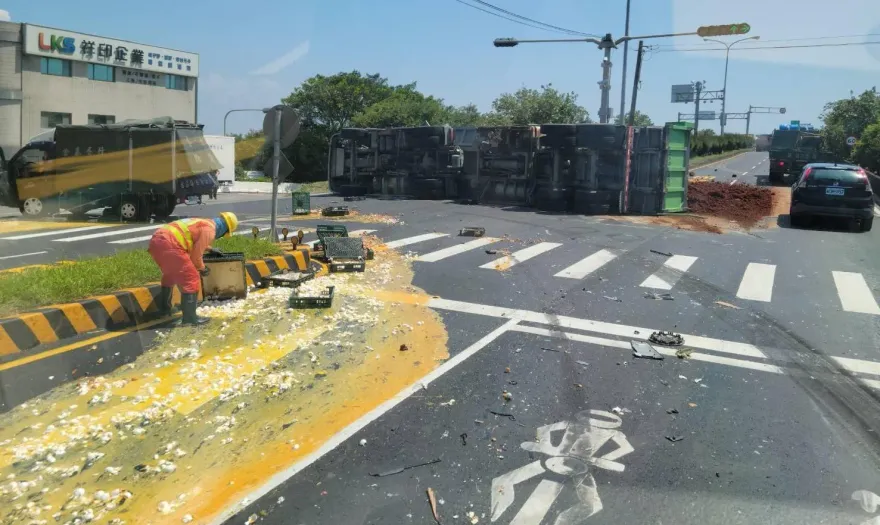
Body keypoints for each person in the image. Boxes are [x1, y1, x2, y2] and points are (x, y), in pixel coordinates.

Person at [148, 212, 239, 325]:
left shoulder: (203, 222)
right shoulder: (210, 230)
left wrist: (210, 249)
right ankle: (190, 318)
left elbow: (190, 237)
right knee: (191, 278)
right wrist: (203, 269)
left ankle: (165, 310)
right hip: (171, 244)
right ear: (225, 230)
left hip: (156, 241)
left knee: (170, 275)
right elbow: (196, 258)